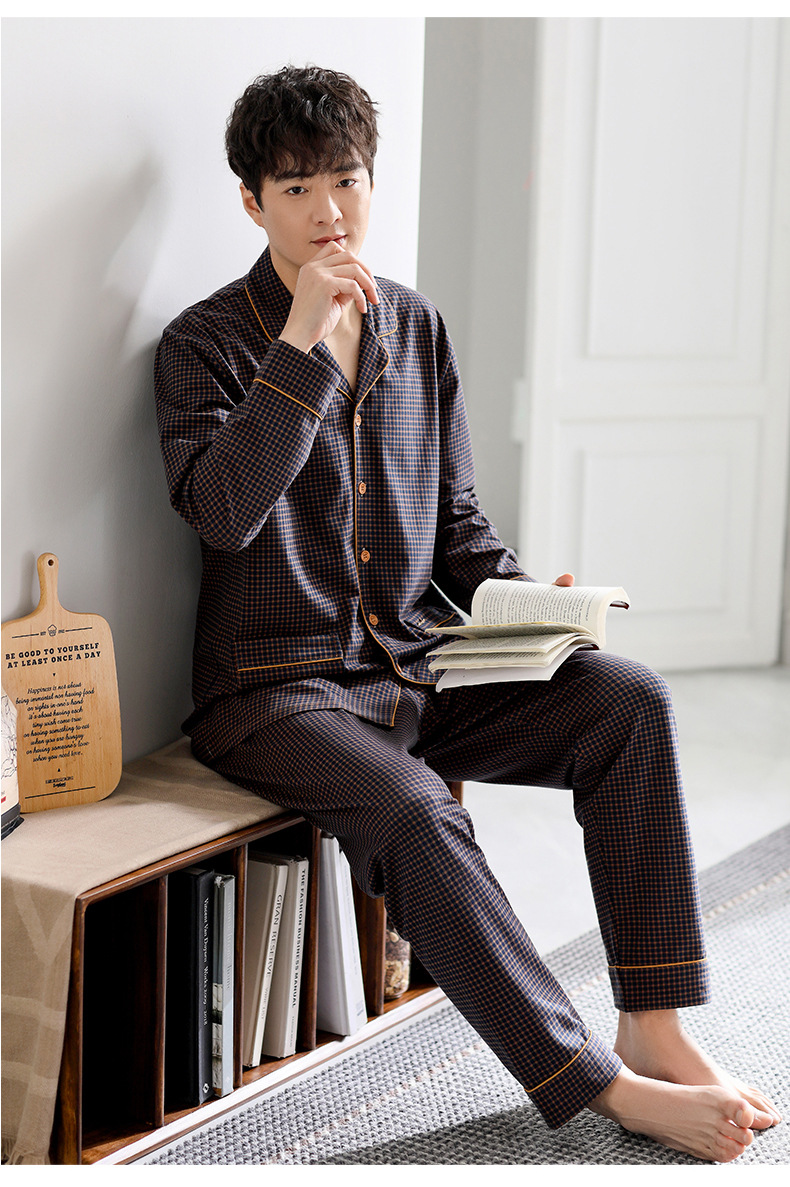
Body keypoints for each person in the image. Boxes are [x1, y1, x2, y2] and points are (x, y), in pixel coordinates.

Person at [154, 65, 780, 1162]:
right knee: (414, 809)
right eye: (296, 188)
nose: (330, 210)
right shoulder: (204, 343)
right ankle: (595, 1081)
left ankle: (655, 1021)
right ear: (251, 203)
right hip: (276, 693)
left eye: (347, 179)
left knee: (626, 699)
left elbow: (456, 526)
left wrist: (536, 600)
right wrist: (299, 346)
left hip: (415, 666)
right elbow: (223, 512)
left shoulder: (417, 327)